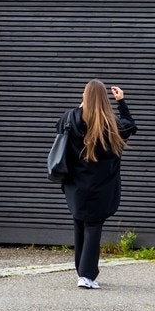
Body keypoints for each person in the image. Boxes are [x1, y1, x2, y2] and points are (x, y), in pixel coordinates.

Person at [56, 80, 137, 289]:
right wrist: (122, 101)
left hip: (75, 185)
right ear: (104, 99)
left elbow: (58, 128)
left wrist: (81, 107)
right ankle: (87, 275)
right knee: (93, 227)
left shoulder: (69, 118)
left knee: (79, 224)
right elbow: (130, 125)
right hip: (101, 187)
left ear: (84, 96)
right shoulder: (110, 125)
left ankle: (82, 272)